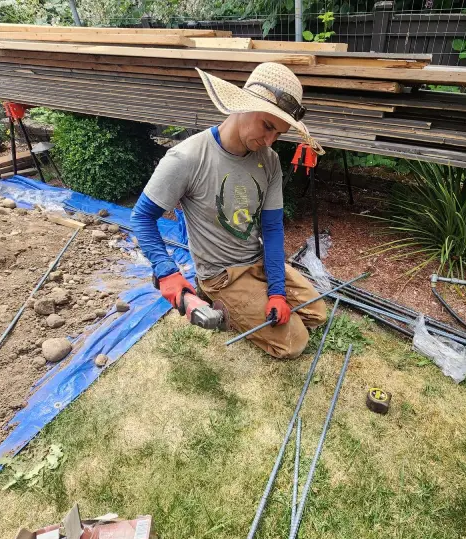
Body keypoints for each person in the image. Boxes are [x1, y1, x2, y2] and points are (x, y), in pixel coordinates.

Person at [131, 62, 327, 359]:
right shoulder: (187, 158)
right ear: (243, 105)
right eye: (268, 126)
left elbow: (272, 228)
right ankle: (212, 295)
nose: (270, 140)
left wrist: (276, 291)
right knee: (293, 343)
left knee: (317, 312)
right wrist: (167, 272)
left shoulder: (270, 160)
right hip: (221, 274)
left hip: (256, 262)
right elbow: (142, 217)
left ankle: (257, 297)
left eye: (279, 133)